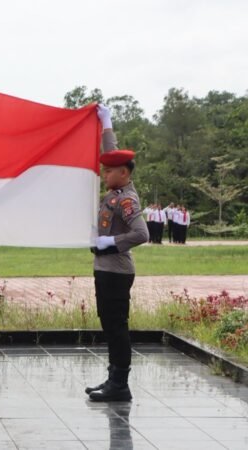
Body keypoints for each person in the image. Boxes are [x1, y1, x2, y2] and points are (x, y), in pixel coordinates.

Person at [86, 105, 149, 402]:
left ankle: (120, 385)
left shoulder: (127, 200)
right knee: (109, 325)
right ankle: (114, 378)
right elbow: (112, 151)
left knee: (116, 327)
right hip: (105, 269)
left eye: (109, 171)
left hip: (116, 270)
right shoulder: (117, 188)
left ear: (123, 174)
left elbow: (142, 234)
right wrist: (106, 122)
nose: (105, 173)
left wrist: (109, 243)